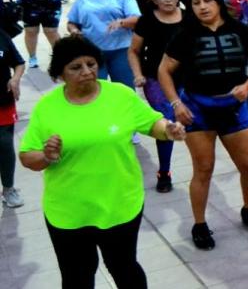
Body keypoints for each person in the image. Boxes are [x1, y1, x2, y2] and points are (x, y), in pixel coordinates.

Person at [18, 35, 186, 287]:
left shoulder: (120, 95)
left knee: (124, 268)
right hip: (69, 211)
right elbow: (27, 156)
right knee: (77, 277)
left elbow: (152, 122)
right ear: (60, 74)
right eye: (76, 67)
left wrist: (168, 129)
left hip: (120, 204)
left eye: (91, 64)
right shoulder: (47, 107)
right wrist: (46, 156)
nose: (87, 71)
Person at [157, 0, 248, 250]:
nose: (203, 7)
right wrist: (176, 104)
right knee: (204, 169)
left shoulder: (240, 29)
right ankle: (199, 224)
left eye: (207, 0)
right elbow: (164, 71)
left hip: (234, 108)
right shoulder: (185, 35)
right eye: (196, 3)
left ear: (218, 1)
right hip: (198, 110)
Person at [127, 0, 185, 193]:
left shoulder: (189, 17)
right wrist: (138, 75)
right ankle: (164, 172)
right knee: (167, 120)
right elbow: (133, 51)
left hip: (186, 79)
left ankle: (202, 165)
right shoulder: (147, 21)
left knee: (192, 123)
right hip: (155, 79)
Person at [65, 0, 140, 88]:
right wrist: (74, 31)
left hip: (121, 50)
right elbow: (72, 23)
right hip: (92, 53)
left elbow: (137, 19)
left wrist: (121, 22)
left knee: (125, 89)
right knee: (95, 90)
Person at [0, 28, 24, 209]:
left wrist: (15, 79)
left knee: (5, 145)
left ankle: (8, 188)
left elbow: (18, 63)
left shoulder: (1, 35)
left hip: (3, 102)